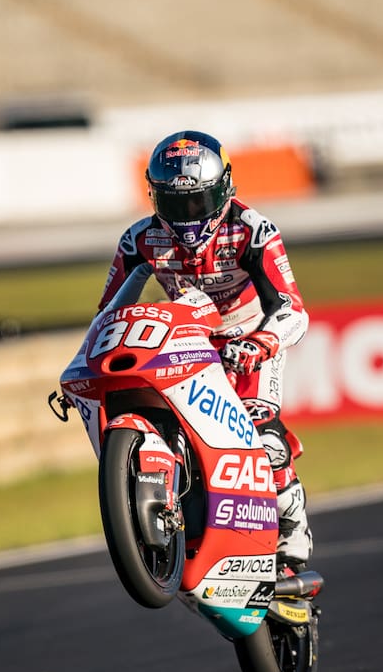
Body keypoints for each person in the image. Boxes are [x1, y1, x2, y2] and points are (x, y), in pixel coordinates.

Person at [98, 130, 313, 571]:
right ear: (155, 197)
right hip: (183, 342)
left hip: (248, 340)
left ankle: (292, 527)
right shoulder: (138, 239)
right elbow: (109, 311)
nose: (189, 216)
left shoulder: (254, 231)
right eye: (177, 205)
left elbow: (293, 309)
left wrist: (261, 343)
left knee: (263, 436)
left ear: (224, 188)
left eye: (198, 201)